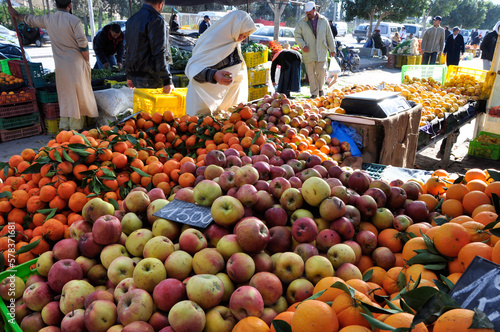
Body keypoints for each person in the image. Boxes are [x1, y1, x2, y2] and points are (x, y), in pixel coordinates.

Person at [8, 0, 97, 131]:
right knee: (77, 96)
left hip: (61, 65)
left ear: (56, 5)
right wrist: (87, 60)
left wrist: (17, 15)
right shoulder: (74, 20)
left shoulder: (48, 19)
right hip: (76, 63)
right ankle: (74, 128)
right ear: (69, 5)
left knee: (65, 95)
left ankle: (65, 126)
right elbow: (83, 44)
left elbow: (30, 19)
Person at [185, 10, 256, 116]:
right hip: (202, 100)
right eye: (241, 34)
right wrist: (213, 74)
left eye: (245, 37)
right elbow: (192, 68)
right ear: (234, 28)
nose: (241, 39)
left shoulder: (233, 43)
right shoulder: (211, 40)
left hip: (222, 106)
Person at [125, 0, 174, 94]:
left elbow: (128, 50)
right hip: (152, 78)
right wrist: (167, 80)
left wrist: (129, 75)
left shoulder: (131, 20)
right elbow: (159, 51)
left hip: (136, 76)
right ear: (161, 4)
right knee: (156, 107)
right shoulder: (156, 19)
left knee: (143, 106)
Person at [295, 1, 336, 99]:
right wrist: (302, 45)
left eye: (309, 12)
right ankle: (314, 93)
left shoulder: (324, 21)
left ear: (314, 9)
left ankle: (321, 89)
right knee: (311, 73)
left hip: (321, 51)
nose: (307, 14)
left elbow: (329, 36)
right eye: (306, 12)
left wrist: (332, 49)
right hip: (308, 52)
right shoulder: (301, 22)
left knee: (321, 71)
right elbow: (297, 35)